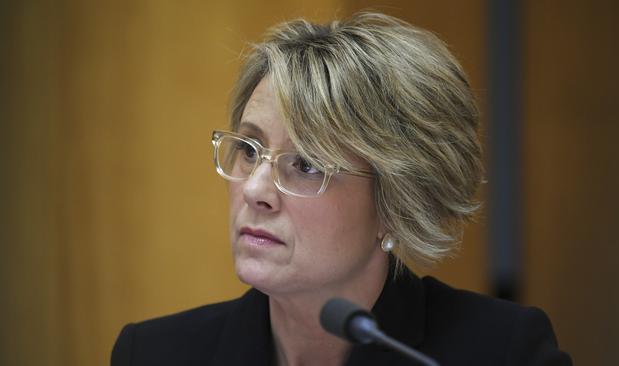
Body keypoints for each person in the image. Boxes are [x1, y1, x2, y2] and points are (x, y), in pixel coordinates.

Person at [111, 11, 571, 366]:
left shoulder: (501, 353)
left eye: (306, 164)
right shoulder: (153, 353)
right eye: (250, 149)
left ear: (396, 202)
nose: (255, 189)